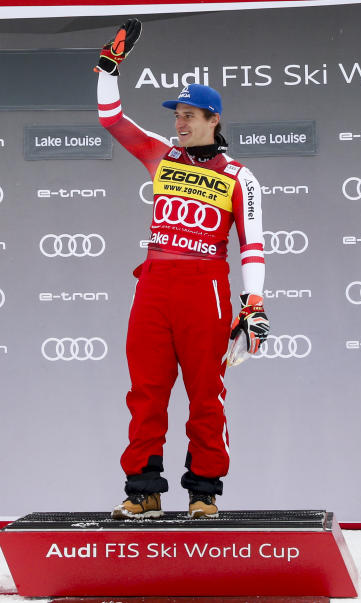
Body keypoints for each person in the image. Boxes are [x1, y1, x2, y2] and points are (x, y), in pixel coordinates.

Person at [95, 19, 269, 519]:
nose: (180, 123)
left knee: (205, 393)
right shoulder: (161, 155)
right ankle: (144, 490)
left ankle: (204, 493)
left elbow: (252, 246)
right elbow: (112, 119)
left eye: (190, 116)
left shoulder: (240, 177)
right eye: (177, 116)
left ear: (213, 120)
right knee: (145, 392)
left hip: (206, 287)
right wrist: (109, 67)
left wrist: (252, 302)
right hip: (154, 284)